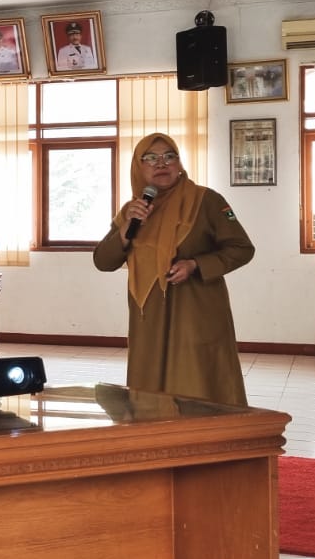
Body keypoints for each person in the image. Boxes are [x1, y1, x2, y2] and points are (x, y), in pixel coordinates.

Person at [92, 133, 254, 407]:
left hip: (195, 312)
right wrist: (125, 230)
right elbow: (103, 261)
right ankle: (155, 441)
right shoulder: (134, 209)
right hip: (149, 316)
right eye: (151, 158)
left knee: (197, 380)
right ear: (138, 167)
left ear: (179, 163)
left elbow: (242, 248)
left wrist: (196, 265)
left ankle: (208, 441)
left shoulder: (207, 201)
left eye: (169, 156)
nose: (161, 163)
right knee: (150, 383)